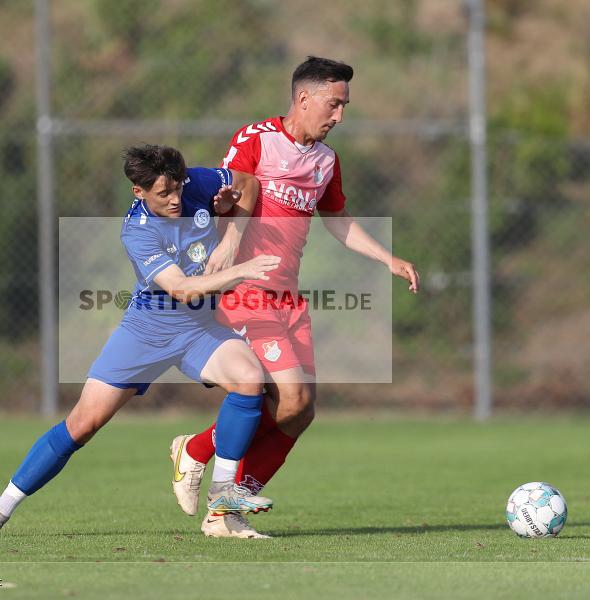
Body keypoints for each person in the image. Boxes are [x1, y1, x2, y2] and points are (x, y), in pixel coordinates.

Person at [0, 145, 281, 538]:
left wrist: (232, 239)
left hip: (198, 329)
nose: (176, 198)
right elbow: (180, 289)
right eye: (163, 193)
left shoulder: (195, 181)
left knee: (251, 378)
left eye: (178, 187)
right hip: (146, 331)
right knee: (82, 424)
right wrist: (242, 270)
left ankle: (223, 508)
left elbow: (248, 183)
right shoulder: (138, 230)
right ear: (138, 191)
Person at [170, 57, 421, 538]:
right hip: (245, 290)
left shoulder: (326, 161)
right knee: (288, 393)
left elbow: (338, 219)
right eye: (334, 104)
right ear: (303, 98)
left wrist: (387, 259)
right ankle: (223, 507)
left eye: (345, 106)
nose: (340, 116)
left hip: (287, 297)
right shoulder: (257, 139)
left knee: (300, 409)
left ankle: (200, 457)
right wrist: (226, 243)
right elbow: (229, 196)